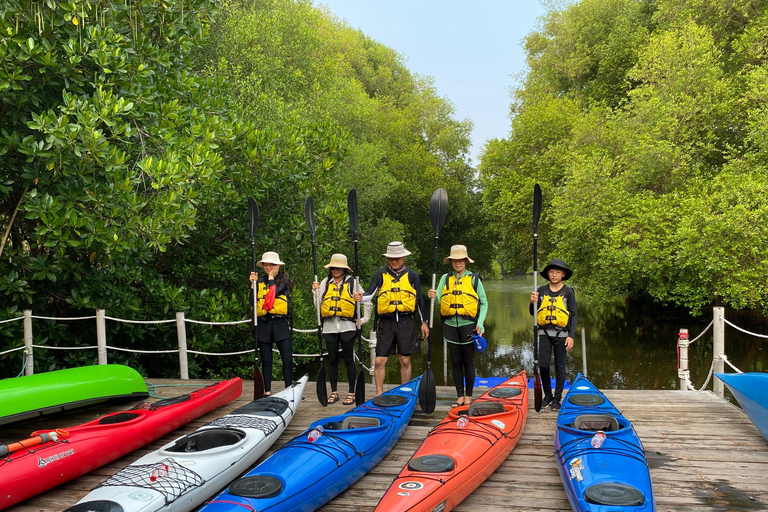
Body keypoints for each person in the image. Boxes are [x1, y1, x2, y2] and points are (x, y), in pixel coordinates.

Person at [356, 242, 429, 396]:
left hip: (406, 322)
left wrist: (424, 322)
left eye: (397, 258)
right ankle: (379, 394)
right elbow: (370, 294)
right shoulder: (380, 274)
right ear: (387, 258)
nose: (394, 261)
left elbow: (419, 300)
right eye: (391, 258)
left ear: (403, 257)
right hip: (386, 323)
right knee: (379, 361)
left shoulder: (412, 275)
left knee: (405, 360)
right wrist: (359, 297)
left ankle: (404, 392)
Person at [428, 245, 488, 408]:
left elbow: (484, 302)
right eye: (455, 260)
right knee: (455, 363)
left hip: (469, 326)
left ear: (465, 261)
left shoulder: (474, 279)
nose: (458, 263)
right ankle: (459, 396)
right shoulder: (445, 278)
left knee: (468, 362)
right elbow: (440, 299)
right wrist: (432, 296)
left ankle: (469, 396)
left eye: (461, 260)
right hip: (450, 326)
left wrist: (480, 323)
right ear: (452, 261)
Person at [312, 253, 372, 405]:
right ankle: (334, 392)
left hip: (348, 327)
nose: (336, 270)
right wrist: (315, 292)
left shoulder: (353, 283)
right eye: (333, 267)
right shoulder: (325, 282)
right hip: (329, 327)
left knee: (348, 360)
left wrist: (363, 320)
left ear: (344, 269)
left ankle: (351, 392)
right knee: (332, 360)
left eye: (339, 268)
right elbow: (317, 306)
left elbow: (367, 301)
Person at [529, 258, 577, 411]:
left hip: (562, 334)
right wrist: (532, 302)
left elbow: (574, 314)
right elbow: (533, 313)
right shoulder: (541, 290)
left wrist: (571, 336)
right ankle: (548, 395)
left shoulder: (568, 292)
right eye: (551, 272)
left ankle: (557, 399)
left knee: (559, 366)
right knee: (543, 366)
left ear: (563, 274)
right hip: (544, 333)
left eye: (557, 272)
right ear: (548, 274)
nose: (554, 274)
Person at [249, 251, 294, 396]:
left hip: (279, 323)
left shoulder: (285, 280)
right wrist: (252, 285)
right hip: (264, 324)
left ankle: (289, 389)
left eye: (271, 265)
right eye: (266, 265)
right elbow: (252, 302)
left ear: (277, 266)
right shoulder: (259, 281)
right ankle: (267, 390)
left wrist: (271, 278)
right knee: (266, 361)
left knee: (287, 359)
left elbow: (272, 295)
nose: (268, 267)